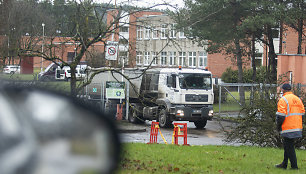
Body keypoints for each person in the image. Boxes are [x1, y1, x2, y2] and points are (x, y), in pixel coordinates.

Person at [275, 83, 305, 170]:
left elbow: (281, 116)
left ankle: (294, 167)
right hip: (297, 126)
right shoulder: (298, 99)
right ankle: (284, 164)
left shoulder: (283, 99)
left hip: (288, 127)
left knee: (289, 146)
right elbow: (302, 113)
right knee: (287, 145)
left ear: (283, 90)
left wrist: (278, 126)